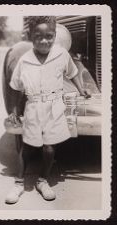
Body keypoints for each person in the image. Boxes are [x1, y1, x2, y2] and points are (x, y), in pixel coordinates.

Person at [5, 16, 90, 204]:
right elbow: (16, 88)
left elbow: (73, 72)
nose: (44, 41)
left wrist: (81, 88)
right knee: (28, 147)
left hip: (54, 106)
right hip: (33, 106)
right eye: (38, 36)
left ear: (55, 35)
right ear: (30, 36)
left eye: (49, 36)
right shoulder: (25, 61)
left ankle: (42, 180)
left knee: (50, 148)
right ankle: (19, 183)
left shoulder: (61, 54)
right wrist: (13, 110)